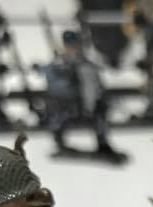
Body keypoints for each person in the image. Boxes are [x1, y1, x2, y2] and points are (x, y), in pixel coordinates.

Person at [41, 30, 123, 160]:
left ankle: (102, 144)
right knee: (57, 115)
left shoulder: (85, 64)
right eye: (69, 45)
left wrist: (92, 105)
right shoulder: (58, 65)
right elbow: (53, 84)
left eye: (74, 45)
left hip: (84, 105)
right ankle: (59, 142)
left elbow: (95, 87)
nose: (73, 48)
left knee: (99, 113)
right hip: (65, 106)